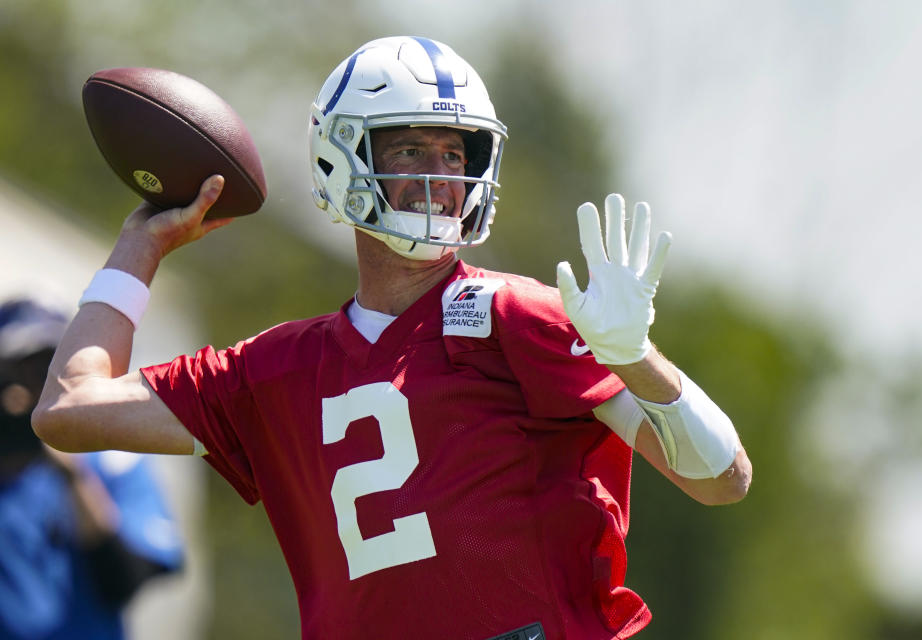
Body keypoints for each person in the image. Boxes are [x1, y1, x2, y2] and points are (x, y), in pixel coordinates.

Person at [33, 36, 752, 639]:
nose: (439, 177)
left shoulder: (518, 315)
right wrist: (142, 245)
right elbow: (69, 406)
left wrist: (638, 360)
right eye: (410, 150)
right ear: (338, 159)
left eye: (454, 153)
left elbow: (722, 480)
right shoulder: (277, 369)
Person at [0, 295, 184, 639]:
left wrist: (70, 472)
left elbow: (124, 581)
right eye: (22, 371)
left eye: (51, 368)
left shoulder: (112, 457)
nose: (38, 386)